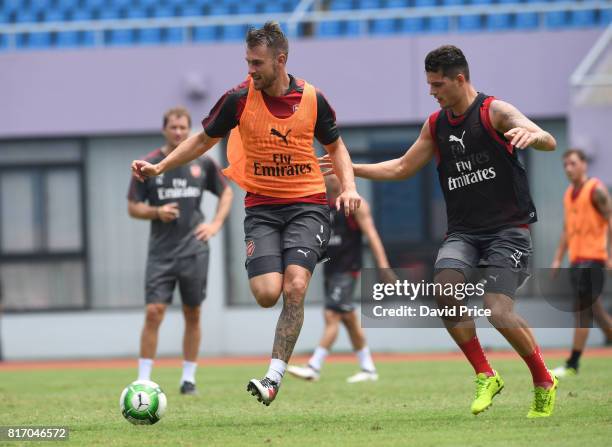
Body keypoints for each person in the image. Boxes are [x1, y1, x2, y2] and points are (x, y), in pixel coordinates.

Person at [131, 22, 362, 406]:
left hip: (308, 202)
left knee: (296, 286)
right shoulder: (237, 99)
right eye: (247, 62)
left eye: (257, 63)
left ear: (281, 60)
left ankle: (273, 377)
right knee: (267, 293)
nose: (250, 70)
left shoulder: (313, 99)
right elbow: (202, 140)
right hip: (262, 208)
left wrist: (349, 186)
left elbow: (337, 148)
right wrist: (160, 167)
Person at [322, 45, 558, 418]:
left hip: (508, 232)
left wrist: (536, 137)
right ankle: (485, 374)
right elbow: (401, 167)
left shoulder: (494, 112)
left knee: (497, 311)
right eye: (429, 84)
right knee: (446, 293)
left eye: (437, 84)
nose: (432, 91)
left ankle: (543, 380)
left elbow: (548, 139)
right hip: (463, 233)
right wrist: (349, 168)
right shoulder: (436, 125)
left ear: (459, 79)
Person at [128, 106, 233, 395]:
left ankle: (189, 379)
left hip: (194, 251)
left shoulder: (203, 163)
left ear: (189, 130)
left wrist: (214, 225)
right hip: (161, 252)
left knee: (193, 313)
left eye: (183, 128)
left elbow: (227, 192)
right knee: (154, 312)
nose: (178, 132)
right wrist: (156, 211)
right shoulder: (149, 164)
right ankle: (143, 380)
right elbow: (132, 207)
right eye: (173, 127)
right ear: (164, 129)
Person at [287, 175, 394, 383]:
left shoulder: (355, 203)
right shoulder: (320, 205)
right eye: (323, 172)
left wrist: (383, 267)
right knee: (348, 319)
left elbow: (371, 235)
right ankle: (368, 368)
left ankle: (314, 366)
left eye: (331, 171)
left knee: (332, 315)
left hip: (348, 269)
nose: (326, 177)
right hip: (330, 269)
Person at [551, 148, 612, 378]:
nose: (568, 168)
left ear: (584, 165)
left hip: (593, 259)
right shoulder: (568, 194)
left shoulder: (595, 190)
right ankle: (573, 363)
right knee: (590, 310)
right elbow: (567, 230)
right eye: (565, 165)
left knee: (586, 310)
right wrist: (558, 258)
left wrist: (610, 254)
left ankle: (573, 362)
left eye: (573, 163)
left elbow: (610, 218)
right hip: (576, 261)